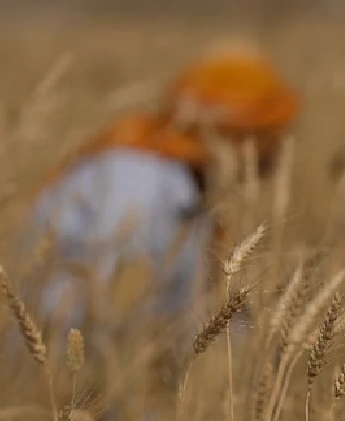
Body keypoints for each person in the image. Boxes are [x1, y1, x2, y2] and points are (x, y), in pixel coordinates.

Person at [23, 41, 300, 355]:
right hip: (71, 385)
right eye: (271, 137)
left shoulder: (185, 188)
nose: (277, 156)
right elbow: (106, 313)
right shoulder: (137, 186)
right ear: (238, 137)